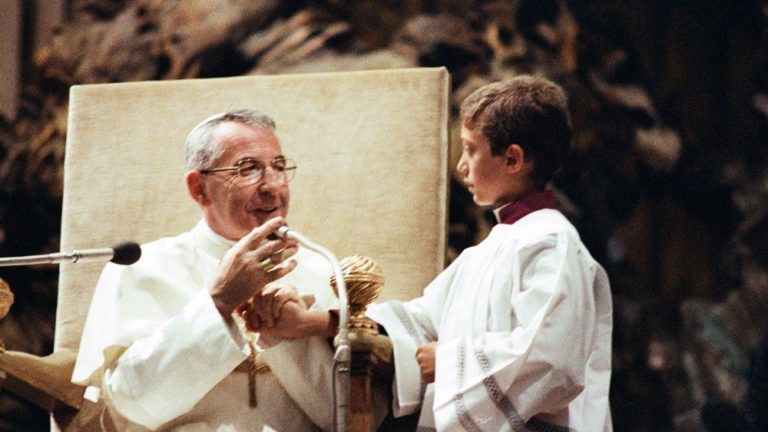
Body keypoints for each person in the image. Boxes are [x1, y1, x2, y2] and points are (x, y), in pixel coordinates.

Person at [362, 75, 614, 431]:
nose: (462, 166)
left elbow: (551, 359)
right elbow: (424, 319)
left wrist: (449, 364)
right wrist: (329, 321)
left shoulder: (552, 243)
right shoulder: (497, 243)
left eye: (470, 149)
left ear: (513, 159)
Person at [72, 110, 340, 431]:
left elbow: (347, 414)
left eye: (279, 167)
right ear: (199, 188)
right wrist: (219, 303)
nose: (272, 185)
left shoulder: (319, 267)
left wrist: (291, 333)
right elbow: (133, 405)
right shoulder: (142, 267)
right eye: (249, 168)